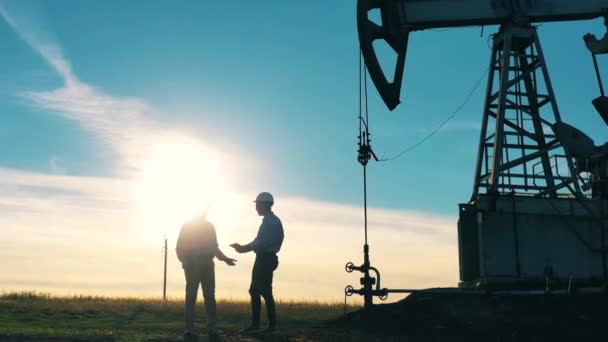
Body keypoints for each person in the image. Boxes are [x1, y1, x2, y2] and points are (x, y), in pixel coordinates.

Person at [176, 211, 237, 338]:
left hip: (207, 263)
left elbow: (214, 247)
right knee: (192, 295)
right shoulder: (188, 226)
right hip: (193, 263)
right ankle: (189, 329)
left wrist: (225, 259)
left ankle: (211, 328)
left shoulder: (209, 227)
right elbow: (179, 247)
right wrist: (185, 261)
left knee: (209, 296)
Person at [231, 192, 284, 334]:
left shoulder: (270, 222)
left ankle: (263, 325)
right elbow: (259, 242)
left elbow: (261, 243)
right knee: (261, 290)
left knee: (260, 291)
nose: (256, 208)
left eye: (258, 205)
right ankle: (265, 324)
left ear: (266, 205)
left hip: (265, 259)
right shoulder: (271, 221)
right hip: (265, 258)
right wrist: (244, 248)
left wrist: (244, 248)